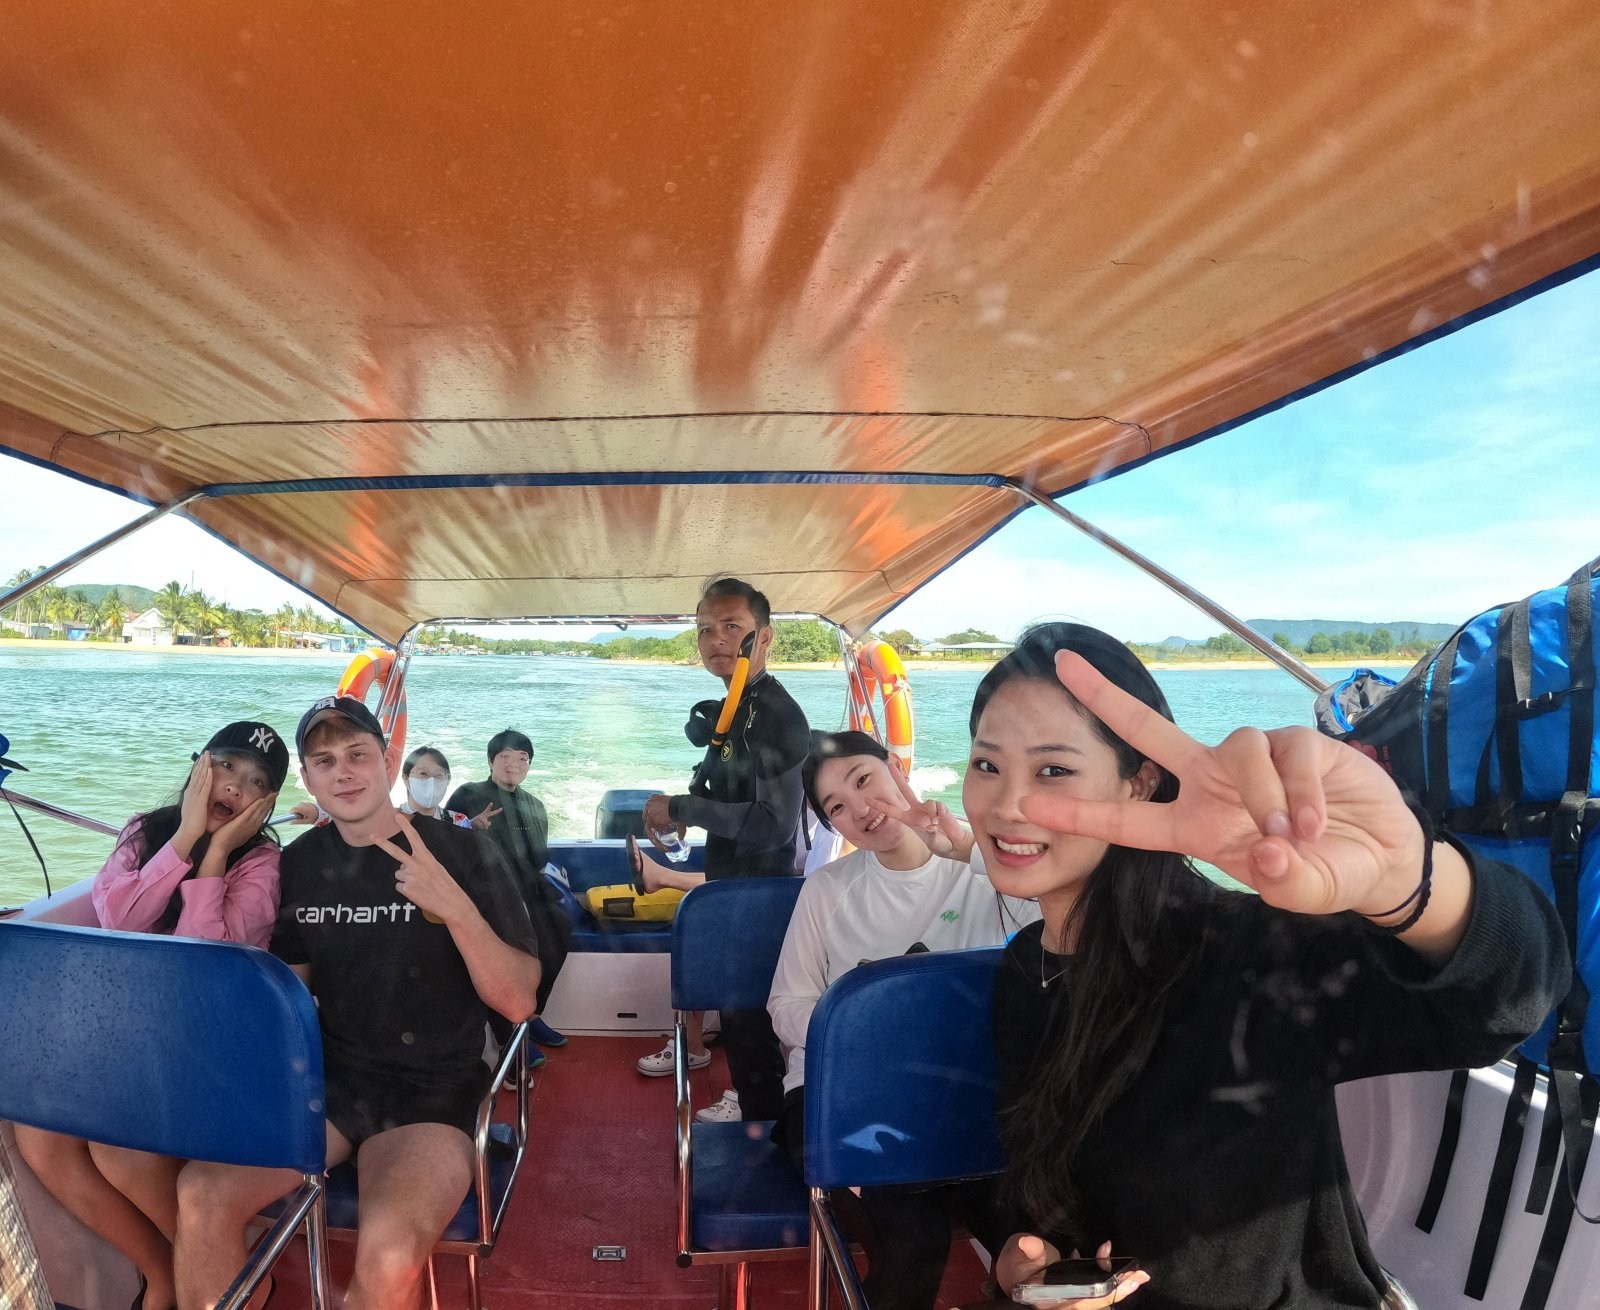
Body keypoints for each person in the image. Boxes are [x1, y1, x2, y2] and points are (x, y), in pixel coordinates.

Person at [942, 624, 1569, 1310]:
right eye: (986, 764)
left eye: (1053, 769)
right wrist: (1020, 1268)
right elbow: (1044, 1192)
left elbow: (1510, 996)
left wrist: (1406, 878)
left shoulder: (1239, 956)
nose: (1006, 805)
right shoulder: (1022, 972)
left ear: (1140, 783)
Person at [172, 695, 549, 1310]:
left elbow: (516, 1001)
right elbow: (288, 995)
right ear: (308, 776)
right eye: (324, 760)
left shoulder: (461, 852)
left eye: (357, 754)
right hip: (332, 1084)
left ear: (387, 760)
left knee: (384, 1263)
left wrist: (452, 906)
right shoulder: (299, 865)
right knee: (201, 1193)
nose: (342, 772)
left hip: (433, 1089)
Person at [15, 720, 288, 1310]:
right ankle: (161, 1268)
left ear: (267, 805)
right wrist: (185, 839)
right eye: (227, 766)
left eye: (256, 781)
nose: (235, 785)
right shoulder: (145, 831)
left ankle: (234, 1265)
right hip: (136, 1039)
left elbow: (207, 964)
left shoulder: (261, 864)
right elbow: (118, 918)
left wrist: (214, 856)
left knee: (120, 1148)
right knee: (37, 1132)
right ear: (199, 767)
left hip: (213, 1048)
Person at [767, 730, 1038, 1310]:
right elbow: (786, 1005)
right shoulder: (827, 891)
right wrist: (865, 1035)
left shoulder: (983, 873)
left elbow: (1063, 918)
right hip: (842, 1099)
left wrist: (967, 847)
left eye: (864, 780)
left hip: (962, 1101)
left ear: (896, 768)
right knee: (915, 1242)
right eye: (836, 806)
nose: (860, 809)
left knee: (1037, 1240)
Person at [630, 576, 810, 1125]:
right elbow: (724, 785)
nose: (716, 640)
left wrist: (681, 808)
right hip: (731, 886)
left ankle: (767, 1131)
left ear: (765, 636)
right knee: (738, 1017)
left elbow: (772, 826)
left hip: (761, 894)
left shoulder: (776, 714)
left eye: (733, 627)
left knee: (750, 1020)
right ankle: (757, 1109)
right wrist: (690, 815)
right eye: (706, 629)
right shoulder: (735, 707)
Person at [446, 730, 571, 1048]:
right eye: (505, 756)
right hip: (483, 891)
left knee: (559, 927)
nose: (513, 764)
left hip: (526, 888)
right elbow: (442, 840)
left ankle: (531, 1015)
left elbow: (540, 857)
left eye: (522, 758)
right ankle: (509, 1032)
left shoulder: (534, 805)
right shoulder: (468, 794)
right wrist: (470, 827)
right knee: (503, 946)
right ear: (490, 761)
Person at [399, 745, 472, 828]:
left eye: (438, 775)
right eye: (423, 773)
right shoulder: (391, 818)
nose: (431, 781)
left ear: (448, 780)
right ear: (406, 778)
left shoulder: (459, 822)